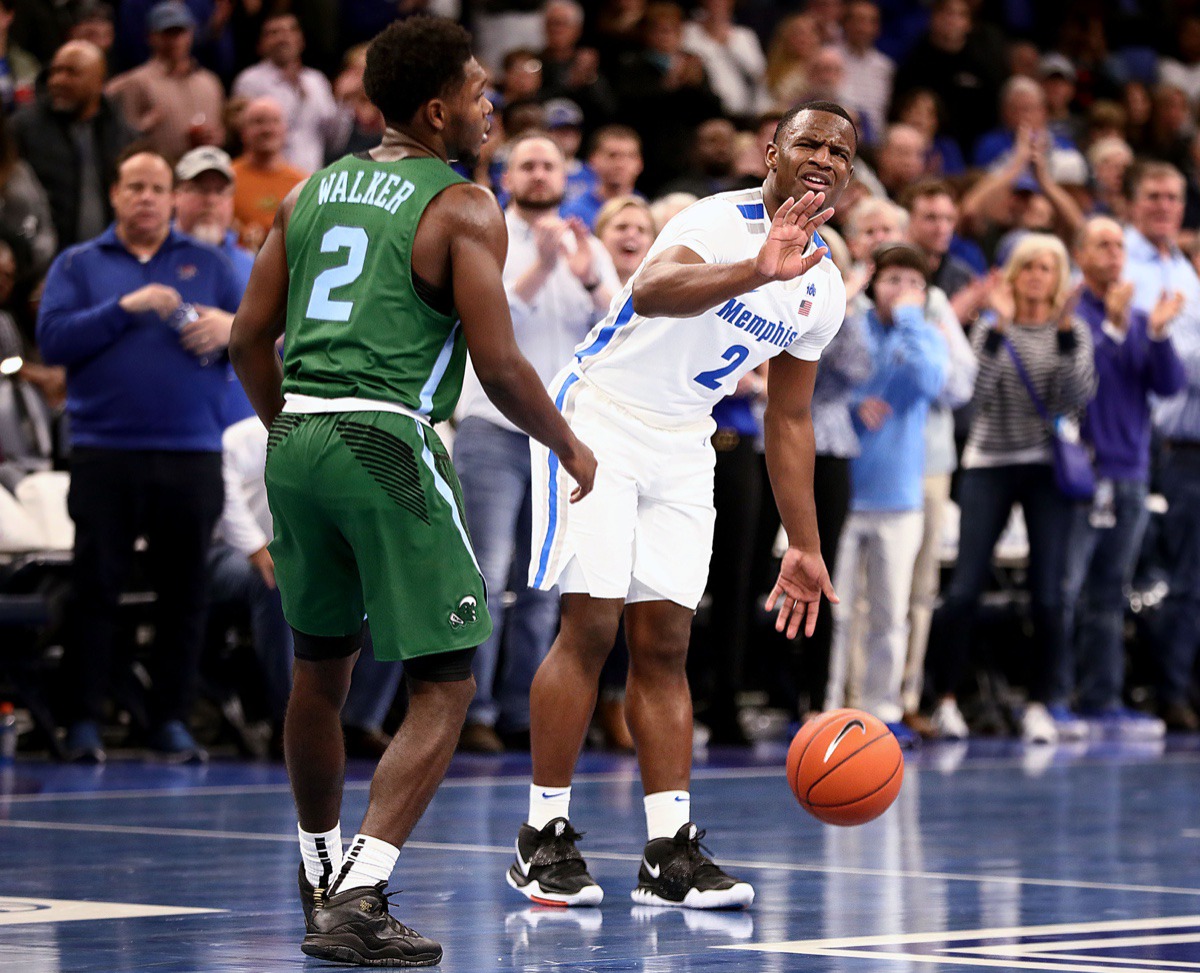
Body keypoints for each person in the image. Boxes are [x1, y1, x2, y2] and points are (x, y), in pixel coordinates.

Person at [227, 17, 596, 967]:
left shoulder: (308, 191)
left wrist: (288, 433)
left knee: (321, 668)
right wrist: (566, 444)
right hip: (385, 435)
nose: (489, 105)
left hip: (299, 433)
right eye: (479, 91)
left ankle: (319, 869)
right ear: (438, 109)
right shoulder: (463, 203)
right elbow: (502, 364)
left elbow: (243, 341)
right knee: (446, 677)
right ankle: (360, 892)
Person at [509, 101, 855, 910]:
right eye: (809, 140)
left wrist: (800, 543)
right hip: (596, 417)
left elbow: (790, 416)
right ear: (772, 150)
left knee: (664, 639)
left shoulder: (825, 286)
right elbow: (656, 290)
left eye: (841, 149)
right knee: (590, 624)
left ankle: (668, 850)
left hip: (683, 438)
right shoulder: (717, 219)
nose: (825, 156)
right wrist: (753, 271)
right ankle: (542, 838)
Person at [37, 148, 243, 763]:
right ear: (116, 194)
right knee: (93, 589)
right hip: (106, 451)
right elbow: (52, 341)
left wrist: (231, 327)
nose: (148, 197)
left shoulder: (209, 263)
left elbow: (265, 336)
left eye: (158, 187)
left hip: (192, 451)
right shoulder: (79, 263)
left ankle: (171, 721)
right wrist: (124, 308)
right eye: (136, 187)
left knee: (185, 594)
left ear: (173, 197)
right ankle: (83, 722)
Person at [455, 133, 617, 754]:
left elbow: (617, 330)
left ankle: (527, 711)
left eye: (550, 165)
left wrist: (586, 276)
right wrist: (544, 267)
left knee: (544, 583)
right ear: (507, 174)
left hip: (560, 438)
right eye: (528, 164)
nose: (540, 173)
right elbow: (485, 319)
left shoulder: (588, 243)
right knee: (486, 579)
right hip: (492, 429)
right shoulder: (485, 232)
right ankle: (474, 710)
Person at [928, 234, 1096, 744]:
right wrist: (997, 326)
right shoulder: (990, 327)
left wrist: (1065, 330)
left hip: (1046, 466)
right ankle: (946, 699)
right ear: (1015, 274)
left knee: (1049, 594)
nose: (1038, 276)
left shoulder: (1074, 330)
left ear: (1058, 276)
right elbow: (975, 396)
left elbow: (1075, 396)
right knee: (964, 589)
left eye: (1048, 267)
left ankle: (1044, 703)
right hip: (989, 462)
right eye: (1030, 267)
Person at [1058, 216, 1184, 738]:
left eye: (1118, 246)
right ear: (1081, 255)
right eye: (1102, 245)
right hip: (1084, 474)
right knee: (1066, 591)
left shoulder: (1135, 315)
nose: (1113, 255)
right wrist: (1111, 330)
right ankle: (1057, 699)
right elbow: (1084, 385)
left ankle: (1102, 700)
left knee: (1111, 594)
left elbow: (1170, 383)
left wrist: (1154, 333)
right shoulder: (1072, 314)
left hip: (1131, 472)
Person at [823, 242, 947, 745]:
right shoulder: (852, 321)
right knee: (836, 612)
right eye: (893, 279)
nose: (902, 290)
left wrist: (914, 321)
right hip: (846, 491)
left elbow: (932, 380)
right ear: (874, 283)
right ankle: (830, 704)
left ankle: (882, 707)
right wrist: (854, 406)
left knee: (890, 613)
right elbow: (835, 377)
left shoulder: (925, 333)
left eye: (913, 282)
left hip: (900, 497)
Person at [12, 39, 135, 250]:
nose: (58, 80)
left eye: (72, 73)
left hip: (110, 255)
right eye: (55, 71)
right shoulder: (22, 128)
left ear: (99, 82)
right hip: (45, 262)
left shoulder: (122, 133)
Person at [231, 12, 352, 175]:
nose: (283, 38)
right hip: (268, 178)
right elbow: (244, 136)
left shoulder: (317, 81)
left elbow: (335, 142)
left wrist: (343, 102)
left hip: (312, 179)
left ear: (301, 40)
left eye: (291, 31)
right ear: (261, 44)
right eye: (274, 33)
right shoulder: (250, 81)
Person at [104, 1, 225, 162]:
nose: (175, 40)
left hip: (203, 171)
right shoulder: (137, 82)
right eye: (167, 33)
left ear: (190, 34)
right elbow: (122, 139)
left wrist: (218, 137)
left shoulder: (209, 82)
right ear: (151, 37)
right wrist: (143, 127)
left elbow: (222, 132)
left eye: (180, 32)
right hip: (160, 173)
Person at [230, 97, 306, 251]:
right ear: (243, 131)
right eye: (258, 122)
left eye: (274, 122)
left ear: (285, 129)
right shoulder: (227, 178)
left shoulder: (302, 182)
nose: (267, 130)